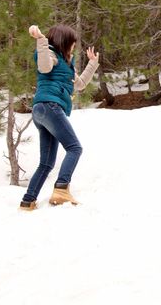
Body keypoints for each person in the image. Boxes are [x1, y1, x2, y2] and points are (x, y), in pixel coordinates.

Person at [19, 24, 99, 211]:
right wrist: (41, 40)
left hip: (43, 110)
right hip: (49, 106)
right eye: (72, 43)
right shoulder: (51, 55)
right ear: (64, 42)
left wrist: (92, 63)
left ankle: (28, 201)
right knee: (74, 148)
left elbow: (79, 85)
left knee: (46, 163)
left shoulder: (65, 64)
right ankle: (62, 189)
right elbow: (45, 68)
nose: (73, 47)